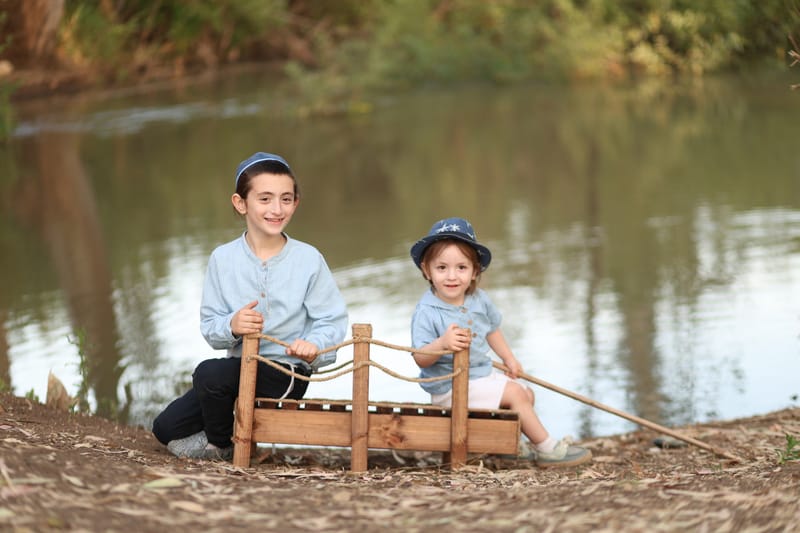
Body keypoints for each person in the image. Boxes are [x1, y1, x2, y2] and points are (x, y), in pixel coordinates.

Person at [152, 152, 348, 460]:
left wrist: (314, 345)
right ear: (241, 203)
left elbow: (332, 321)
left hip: (285, 373)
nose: (276, 209)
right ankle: (226, 431)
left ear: (296, 202)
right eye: (265, 199)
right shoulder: (222, 259)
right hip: (236, 371)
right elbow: (210, 326)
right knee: (165, 427)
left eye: (286, 199)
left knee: (208, 374)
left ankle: (222, 446)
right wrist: (232, 325)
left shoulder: (309, 259)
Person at [409, 217, 591, 468]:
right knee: (515, 394)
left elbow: (492, 330)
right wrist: (442, 343)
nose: (452, 276)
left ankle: (507, 443)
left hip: (480, 376)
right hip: (449, 389)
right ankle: (547, 449)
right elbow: (420, 356)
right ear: (427, 270)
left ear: (475, 271)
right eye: (442, 268)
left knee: (525, 391)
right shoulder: (427, 311)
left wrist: (509, 358)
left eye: (461, 268)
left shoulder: (479, 300)